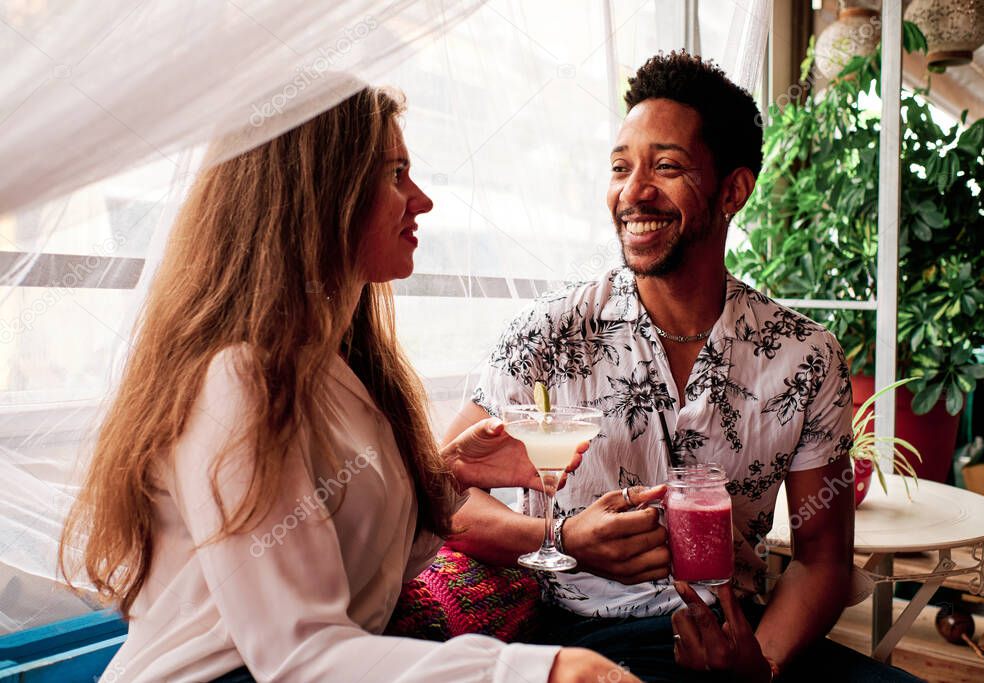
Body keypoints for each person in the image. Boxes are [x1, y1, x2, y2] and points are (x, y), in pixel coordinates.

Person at [59, 85, 640, 683]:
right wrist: (546, 671)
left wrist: (449, 476)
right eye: (396, 175)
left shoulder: (340, 365)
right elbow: (300, 654)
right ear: (319, 194)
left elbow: (371, 572)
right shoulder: (237, 381)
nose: (423, 201)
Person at [444, 52, 922, 682]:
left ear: (733, 190)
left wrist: (762, 665)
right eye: (620, 168)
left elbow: (823, 561)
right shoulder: (550, 332)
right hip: (586, 644)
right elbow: (441, 494)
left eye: (665, 166)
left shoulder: (805, 356)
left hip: (742, 639)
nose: (633, 192)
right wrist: (558, 539)